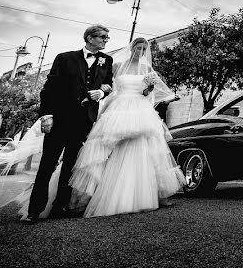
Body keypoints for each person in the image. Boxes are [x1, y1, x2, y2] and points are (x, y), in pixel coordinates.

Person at [68, 37, 184, 218]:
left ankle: (140, 193)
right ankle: (97, 193)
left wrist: (149, 88)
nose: (141, 52)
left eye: (144, 49)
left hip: (140, 108)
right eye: (138, 48)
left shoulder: (147, 69)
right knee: (108, 145)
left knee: (143, 146)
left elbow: (146, 93)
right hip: (119, 106)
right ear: (132, 48)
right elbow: (109, 87)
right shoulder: (117, 65)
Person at [21, 25, 115, 222]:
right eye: (103, 37)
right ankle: (34, 210)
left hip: (84, 121)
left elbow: (108, 85)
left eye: (107, 37)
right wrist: (46, 115)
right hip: (60, 119)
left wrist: (102, 92)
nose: (106, 40)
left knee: (70, 166)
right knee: (47, 165)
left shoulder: (107, 60)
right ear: (90, 38)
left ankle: (59, 207)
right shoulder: (65, 58)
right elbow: (49, 89)